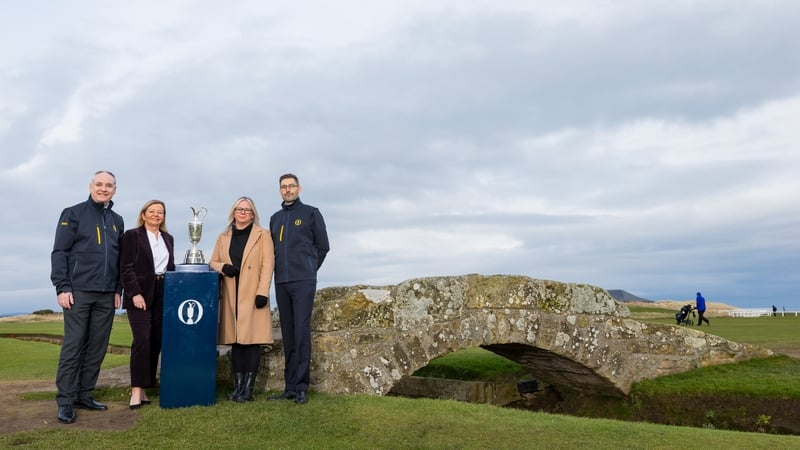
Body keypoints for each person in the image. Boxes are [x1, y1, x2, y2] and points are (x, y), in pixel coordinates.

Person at [50, 170, 124, 424]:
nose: (104, 189)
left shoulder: (117, 220)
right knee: (74, 346)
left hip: (106, 295)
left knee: (97, 347)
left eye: (109, 186)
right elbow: (60, 251)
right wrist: (62, 287)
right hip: (78, 292)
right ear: (91, 186)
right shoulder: (73, 213)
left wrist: (118, 289)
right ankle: (66, 402)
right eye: (99, 184)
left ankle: (84, 394)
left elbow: (118, 259)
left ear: (115, 190)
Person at [268, 174, 330, 405]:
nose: (288, 190)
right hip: (281, 282)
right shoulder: (275, 218)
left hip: (303, 280)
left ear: (299, 188)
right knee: (288, 333)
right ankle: (290, 386)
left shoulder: (311, 213)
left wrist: (310, 268)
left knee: (301, 332)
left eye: (291, 186)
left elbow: (323, 246)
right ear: (280, 191)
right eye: (284, 187)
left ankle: (302, 386)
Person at [210, 196, 275, 402]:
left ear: (253, 213)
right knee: (236, 342)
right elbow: (213, 261)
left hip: (253, 293)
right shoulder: (223, 237)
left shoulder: (262, 235)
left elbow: (267, 264)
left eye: (247, 209)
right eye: (240, 209)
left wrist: (263, 291)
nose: (243, 212)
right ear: (233, 212)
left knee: (251, 341)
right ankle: (237, 388)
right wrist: (223, 267)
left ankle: (248, 389)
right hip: (231, 293)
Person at [120, 200, 175, 409]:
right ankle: (136, 390)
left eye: (160, 212)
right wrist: (134, 293)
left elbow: (169, 267)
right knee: (142, 340)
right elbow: (126, 267)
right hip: (140, 294)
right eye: (151, 211)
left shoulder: (168, 238)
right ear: (143, 214)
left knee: (155, 342)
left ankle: (146, 387)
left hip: (163, 293)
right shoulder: (132, 236)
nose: (155, 215)